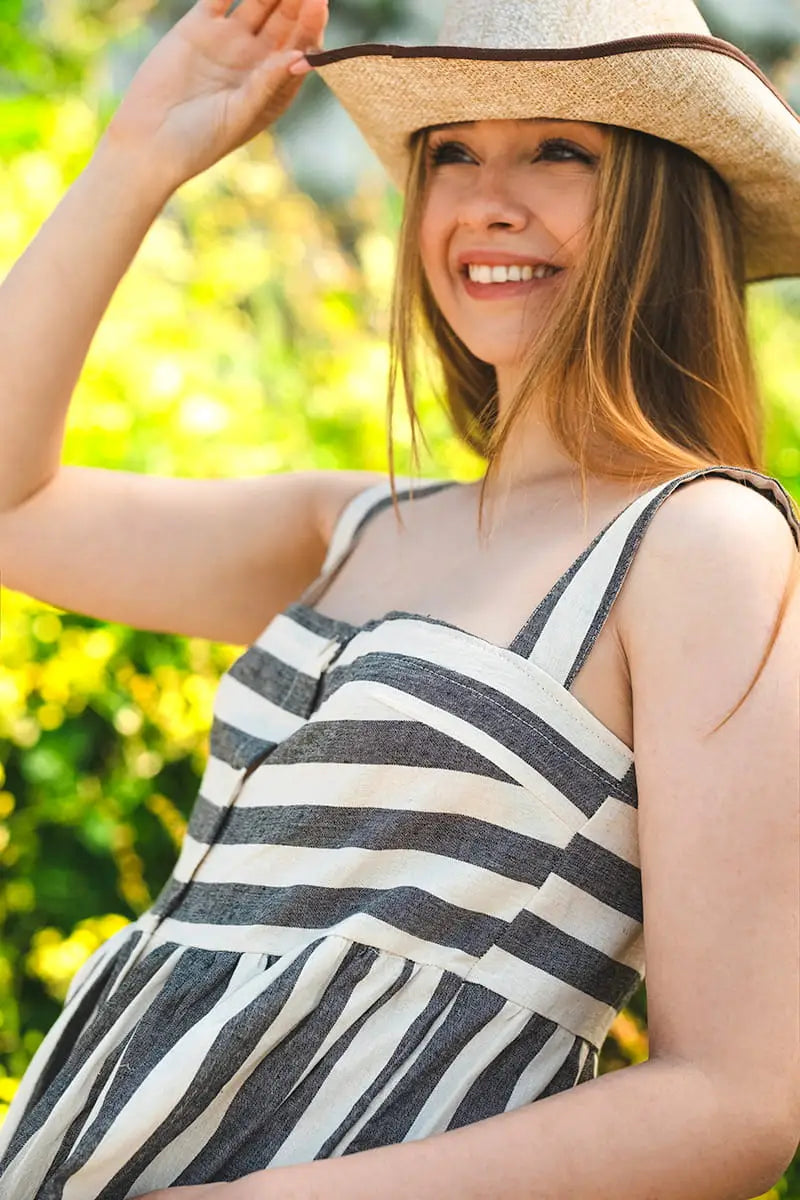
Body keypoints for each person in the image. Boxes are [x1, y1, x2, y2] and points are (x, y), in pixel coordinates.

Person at [0, 0, 798, 1195]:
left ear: (658, 199)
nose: (486, 198)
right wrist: (141, 153)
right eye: (452, 154)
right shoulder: (357, 525)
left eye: (558, 150)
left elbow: (735, 1100)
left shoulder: (699, 543)